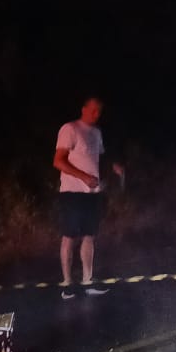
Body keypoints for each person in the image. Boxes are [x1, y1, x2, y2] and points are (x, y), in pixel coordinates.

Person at [53, 97, 123, 298]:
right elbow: (58, 161)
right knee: (69, 237)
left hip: (92, 194)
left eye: (99, 111)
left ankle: (87, 281)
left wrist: (112, 167)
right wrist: (84, 177)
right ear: (84, 109)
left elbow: (96, 158)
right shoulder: (70, 129)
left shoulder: (96, 133)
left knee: (89, 236)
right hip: (72, 192)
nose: (96, 114)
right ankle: (67, 284)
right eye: (93, 110)